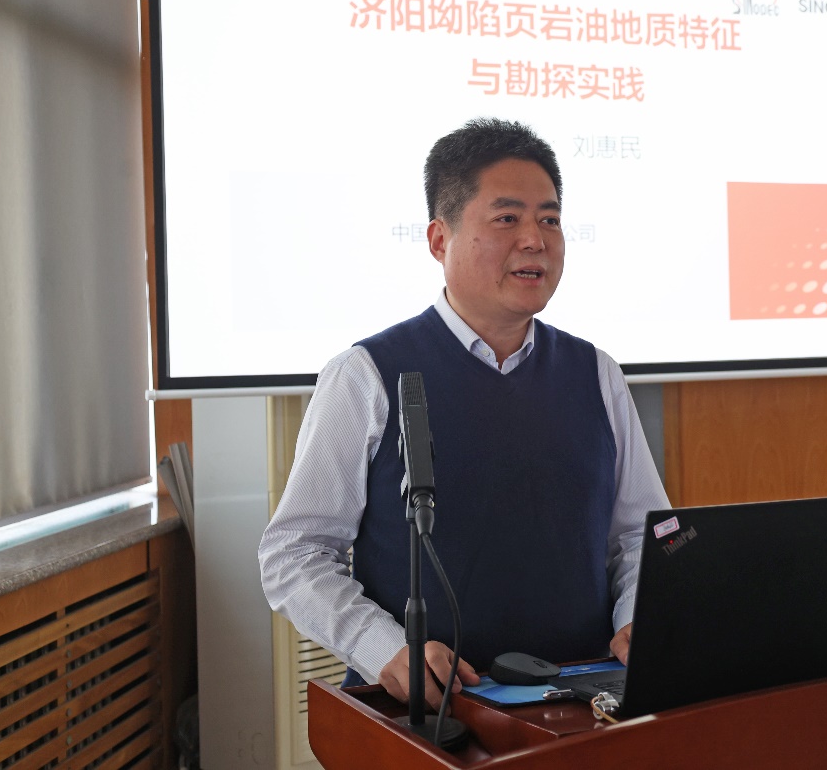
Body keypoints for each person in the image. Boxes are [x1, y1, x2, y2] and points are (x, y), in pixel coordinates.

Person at [258, 118, 668, 710]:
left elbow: (638, 535)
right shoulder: (366, 374)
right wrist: (385, 649)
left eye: (549, 220)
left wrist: (638, 615)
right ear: (438, 239)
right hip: (434, 709)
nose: (535, 240)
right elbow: (296, 554)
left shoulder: (595, 372)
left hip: (585, 700)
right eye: (507, 219)